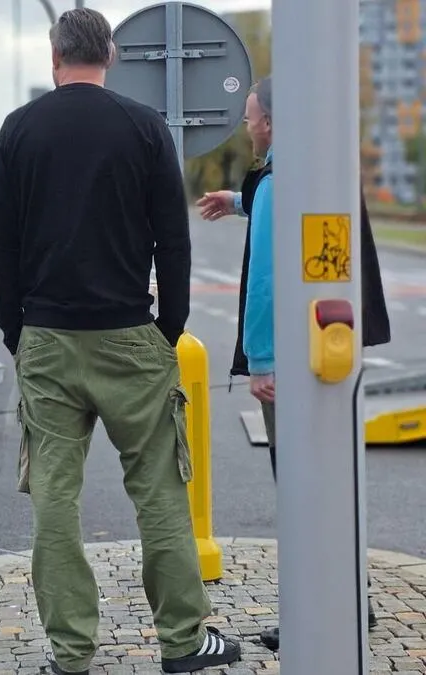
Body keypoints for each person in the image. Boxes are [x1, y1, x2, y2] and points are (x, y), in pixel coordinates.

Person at [0, 8, 241, 674]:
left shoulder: (19, 130)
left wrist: (16, 327)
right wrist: (170, 328)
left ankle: (70, 653)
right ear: (113, 55)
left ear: (53, 57)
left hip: (46, 338)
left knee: (54, 499)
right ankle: (182, 641)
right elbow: (173, 240)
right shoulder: (144, 128)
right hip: (130, 334)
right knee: (159, 490)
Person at [195, 76, 391, 651]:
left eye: (252, 116)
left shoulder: (281, 183)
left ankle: (313, 610)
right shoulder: (322, 171)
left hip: (289, 361)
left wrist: (261, 360)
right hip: (332, 354)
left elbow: (264, 281)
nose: (248, 125)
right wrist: (237, 201)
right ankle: (355, 599)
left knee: (300, 489)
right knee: (334, 484)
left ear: (273, 122)